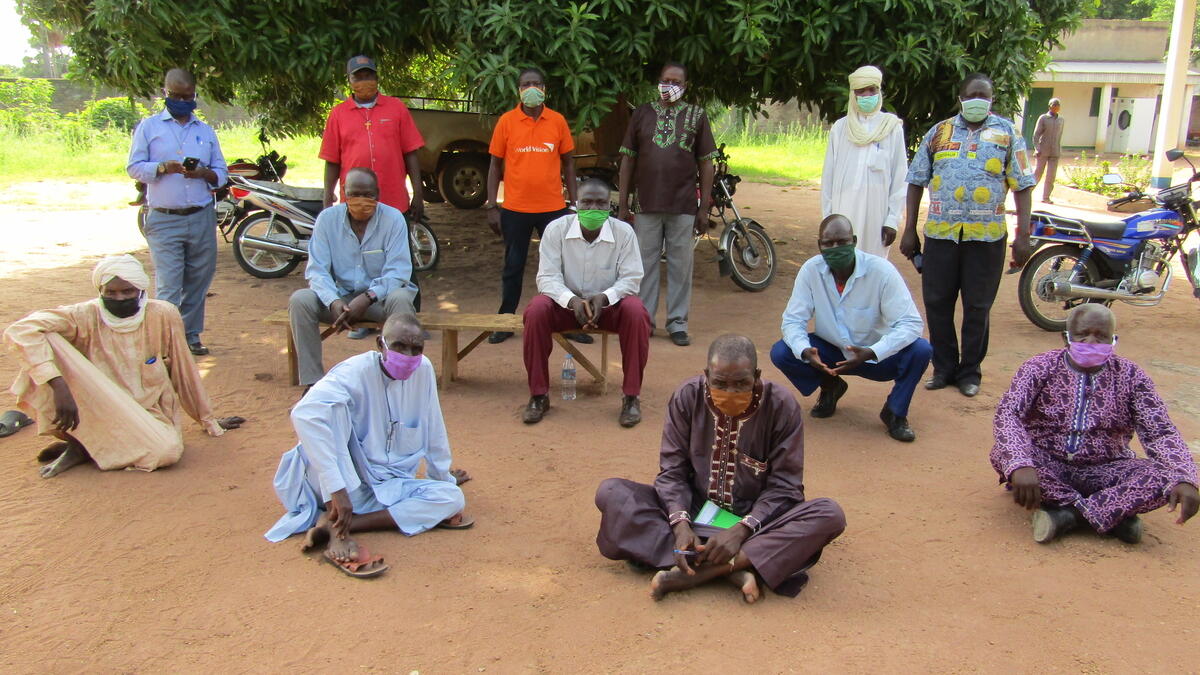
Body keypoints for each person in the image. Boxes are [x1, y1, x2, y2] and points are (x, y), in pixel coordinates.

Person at [594, 334, 846, 602]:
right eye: (720, 383)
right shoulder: (687, 396)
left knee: (829, 514)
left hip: (757, 521)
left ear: (757, 375)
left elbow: (785, 486)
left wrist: (741, 530)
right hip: (695, 510)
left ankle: (697, 571)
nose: (731, 392)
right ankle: (735, 568)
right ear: (706, 375)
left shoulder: (782, 405)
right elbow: (672, 472)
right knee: (611, 492)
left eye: (741, 383)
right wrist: (680, 524)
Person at [265, 313, 473, 578]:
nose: (408, 355)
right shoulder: (354, 373)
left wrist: (440, 479)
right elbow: (304, 414)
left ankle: (339, 526)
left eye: (416, 348)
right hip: (334, 483)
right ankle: (335, 517)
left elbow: (434, 427)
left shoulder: (423, 370)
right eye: (399, 346)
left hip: (380, 485)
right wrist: (337, 490)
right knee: (333, 412)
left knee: (452, 497)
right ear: (380, 344)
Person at [4, 255, 244, 479]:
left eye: (127, 291)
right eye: (111, 292)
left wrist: (208, 419)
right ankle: (79, 446)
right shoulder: (83, 314)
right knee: (44, 342)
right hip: (97, 404)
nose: (119, 298)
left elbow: (184, 370)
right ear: (101, 290)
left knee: (166, 453)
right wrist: (58, 386)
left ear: (140, 290)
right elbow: (20, 330)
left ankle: (93, 447)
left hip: (147, 408)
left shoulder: (163, 314)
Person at [991, 305, 1198, 544]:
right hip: (1048, 463)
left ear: (1114, 340)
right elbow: (1009, 412)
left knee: (1165, 477)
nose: (1091, 341)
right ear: (1066, 337)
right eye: (1082, 334)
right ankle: (1113, 513)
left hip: (1107, 468)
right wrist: (1020, 464)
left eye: (1101, 336)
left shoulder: (1132, 377)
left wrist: (1184, 477)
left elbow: (1160, 431)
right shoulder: (1039, 367)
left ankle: (1068, 515)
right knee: (1002, 455)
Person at [900, 72, 1035, 398]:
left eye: (984, 95)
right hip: (941, 234)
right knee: (937, 303)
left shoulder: (1007, 134)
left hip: (986, 237)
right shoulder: (938, 133)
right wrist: (910, 230)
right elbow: (916, 180)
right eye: (972, 94)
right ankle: (943, 368)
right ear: (960, 97)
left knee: (978, 306)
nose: (978, 100)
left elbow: (1023, 185)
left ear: (991, 100)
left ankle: (970, 372)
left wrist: (1024, 234)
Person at [770, 215, 930, 442]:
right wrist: (806, 351)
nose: (836, 248)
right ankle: (830, 386)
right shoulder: (811, 271)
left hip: (876, 356)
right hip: (831, 356)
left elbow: (911, 323)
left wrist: (874, 351)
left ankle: (895, 412)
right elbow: (792, 320)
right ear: (819, 245)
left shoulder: (881, 272)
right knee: (783, 352)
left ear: (854, 241)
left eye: (842, 242)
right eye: (828, 243)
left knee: (921, 350)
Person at [521, 179, 650, 427]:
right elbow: (547, 278)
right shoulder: (555, 230)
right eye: (587, 202)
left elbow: (631, 279)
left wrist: (604, 297)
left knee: (636, 311)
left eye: (600, 203)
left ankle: (631, 397)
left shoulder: (624, 233)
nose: (594, 208)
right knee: (536, 310)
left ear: (610, 206)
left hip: (608, 307)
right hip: (566, 306)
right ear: (575, 203)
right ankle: (538, 396)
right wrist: (572, 301)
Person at [126, 68, 228, 356]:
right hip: (164, 218)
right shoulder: (149, 128)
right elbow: (134, 167)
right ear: (165, 93)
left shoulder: (205, 132)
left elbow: (221, 173)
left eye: (188, 96)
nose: (183, 101)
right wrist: (161, 168)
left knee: (198, 282)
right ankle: (165, 341)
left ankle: (191, 336)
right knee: (170, 284)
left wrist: (204, 174)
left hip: (201, 216)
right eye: (176, 95)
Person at [617, 61, 717, 347]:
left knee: (680, 266)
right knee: (644, 265)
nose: (668, 86)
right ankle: (644, 320)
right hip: (646, 204)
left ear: (684, 87)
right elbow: (628, 159)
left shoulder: (697, 115)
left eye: (675, 82)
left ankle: (677, 323)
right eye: (664, 80)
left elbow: (706, 163)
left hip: (683, 204)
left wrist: (703, 207)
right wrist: (623, 204)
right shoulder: (642, 113)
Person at [288, 168, 417, 388]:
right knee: (301, 300)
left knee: (402, 298)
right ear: (344, 193)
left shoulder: (393, 219)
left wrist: (367, 297)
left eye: (368, 195)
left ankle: (398, 377)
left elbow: (398, 271)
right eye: (355, 194)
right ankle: (312, 383)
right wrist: (334, 301)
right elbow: (316, 270)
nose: (362, 201)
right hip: (341, 299)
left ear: (378, 194)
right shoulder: (327, 220)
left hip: (378, 300)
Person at [485, 67, 578, 345]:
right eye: (526, 84)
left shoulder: (557, 121)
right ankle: (505, 319)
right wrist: (492, 205)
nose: (531, 88)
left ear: (545, 89)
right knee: (513, 265)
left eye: (536, 83)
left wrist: (574, 205)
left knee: (559, 267)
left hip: (554, 208)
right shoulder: (506, 122)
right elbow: (493, 165)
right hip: (515, 209)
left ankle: (567, 320)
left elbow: (569, 163)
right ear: (518, 89)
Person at [320, 55, 425, 224]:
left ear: (376, 78)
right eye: (358, 77)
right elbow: (332, 160)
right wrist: (327, 200)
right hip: (355, 204)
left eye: (368, 76)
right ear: (349, 80)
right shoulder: (338, 114)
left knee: (397, 250)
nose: (364, 81)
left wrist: (419, 196)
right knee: (357, 249)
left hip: (394, 201)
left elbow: (410, 153)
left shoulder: (396, 108)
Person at [820, 65, 908, 258]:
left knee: (874, 267)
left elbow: (900, 177)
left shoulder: (891, 127)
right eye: (861, 91)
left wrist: (892, 220)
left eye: (872, 89)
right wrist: (828, 218)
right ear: (853, 94)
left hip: (876, 215)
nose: (867, 95)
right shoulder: (841, 128)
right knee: (843, 263)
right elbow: (828, 176)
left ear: (879, 91)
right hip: (843, 211)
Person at [1032, 98, 1064, 204]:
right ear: (1049, 106)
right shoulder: (1043, 118)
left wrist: (1059, 150)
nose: (1055, 107)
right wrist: (1037, 148)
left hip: (1055, 152)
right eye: (1053, 105)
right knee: (1037, 173)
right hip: (1042, 151)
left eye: (1057, 105)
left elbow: (1060, 136)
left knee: (1051, 175)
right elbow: (1036, 135)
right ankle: (1027, 194)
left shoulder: (1061, 120)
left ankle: (1046, 197)